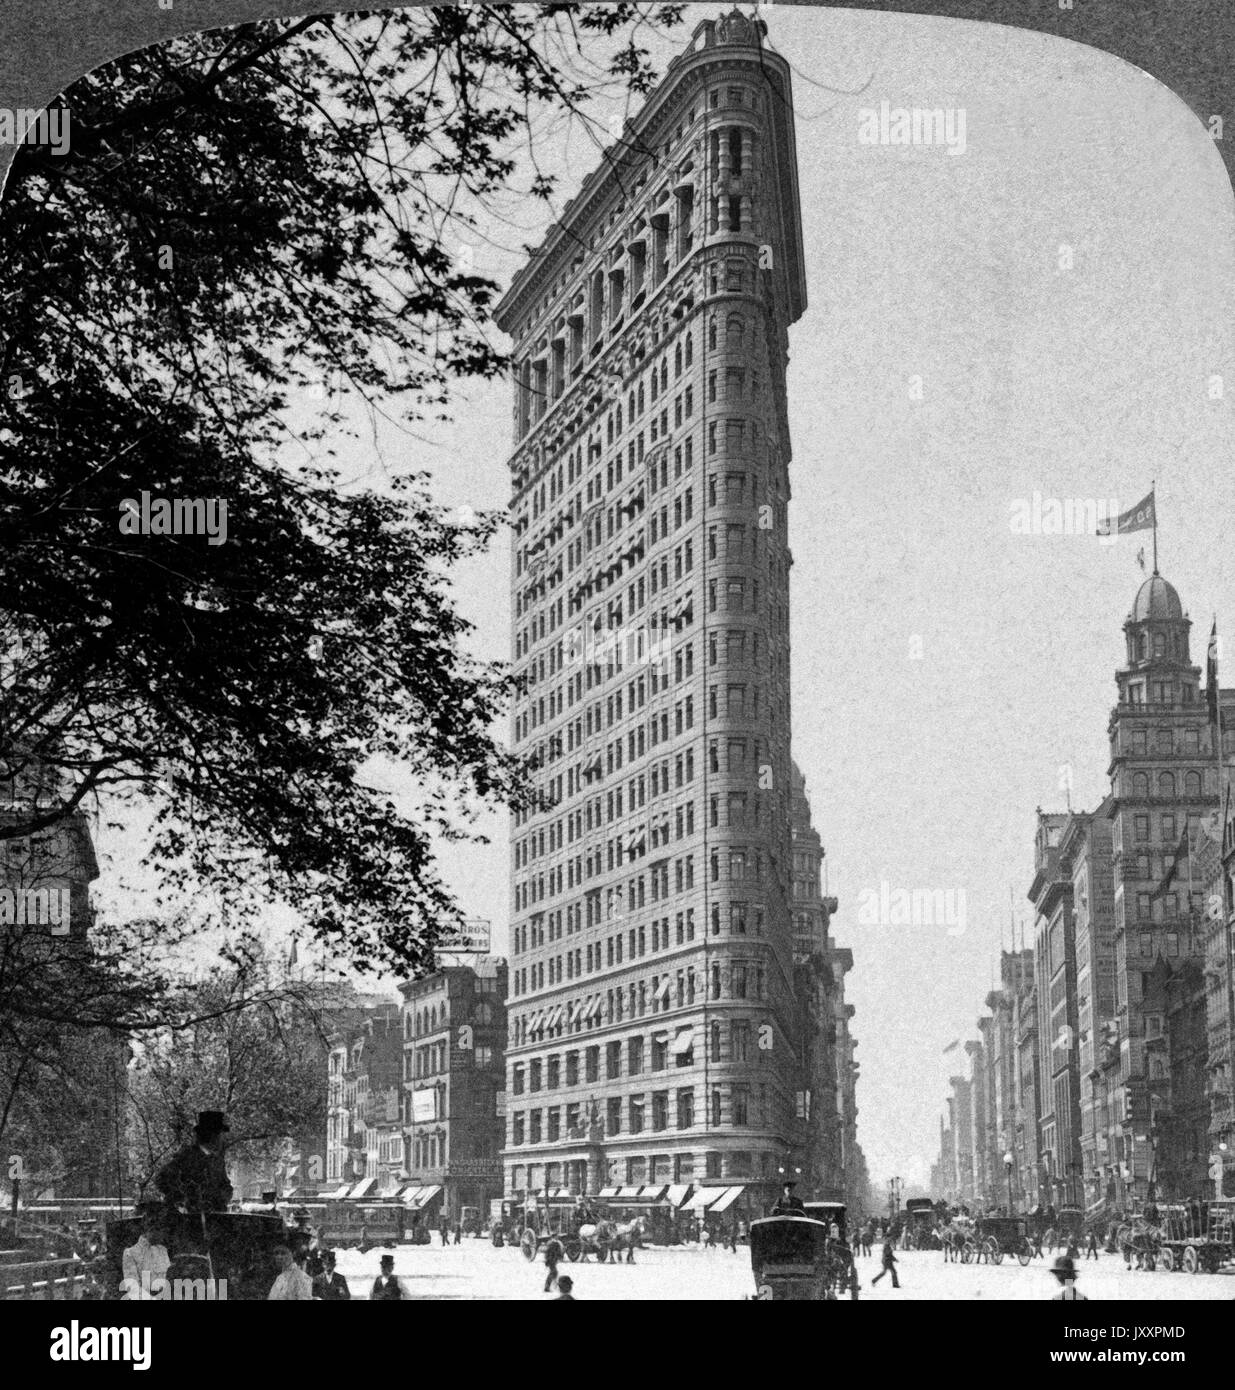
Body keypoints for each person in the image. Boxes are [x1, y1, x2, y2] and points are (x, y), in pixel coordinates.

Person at [155, 1110, 233, 1213]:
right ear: (210, 1135)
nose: (221, 1140)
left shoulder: (217, 1160)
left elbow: (225, 1186)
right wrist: (182, 1198)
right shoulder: (187, 1156)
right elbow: (161, 1179)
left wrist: (223, 1194)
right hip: (189, 1221)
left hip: (214, 1219)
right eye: (219, 1135)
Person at [121, 1202, 171, 1300]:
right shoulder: (130, 1253)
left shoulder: (163, 1250)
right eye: (161, 1230)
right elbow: (133, 1289)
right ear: (151, 1229)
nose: (164, 1235)